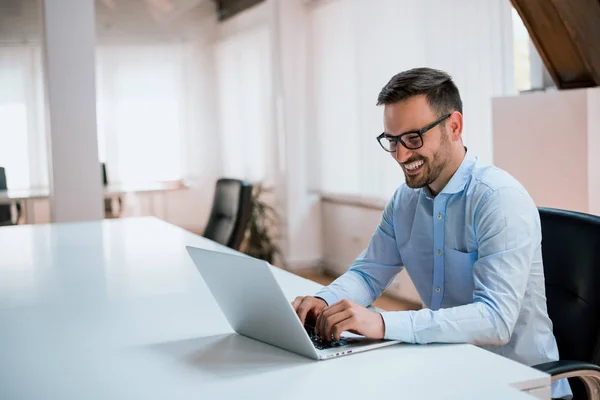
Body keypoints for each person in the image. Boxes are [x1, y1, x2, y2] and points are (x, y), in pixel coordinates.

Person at [292, 67, 571, 399]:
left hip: (516, 383)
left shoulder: (498, 199)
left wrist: (382, 324)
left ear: (454, 126)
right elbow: (368, 274)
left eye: (413, 138)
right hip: (443, 367)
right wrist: (323, 302)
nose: (400, 154)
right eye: (391, 140)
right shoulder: (405, 200)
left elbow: (495, 319)